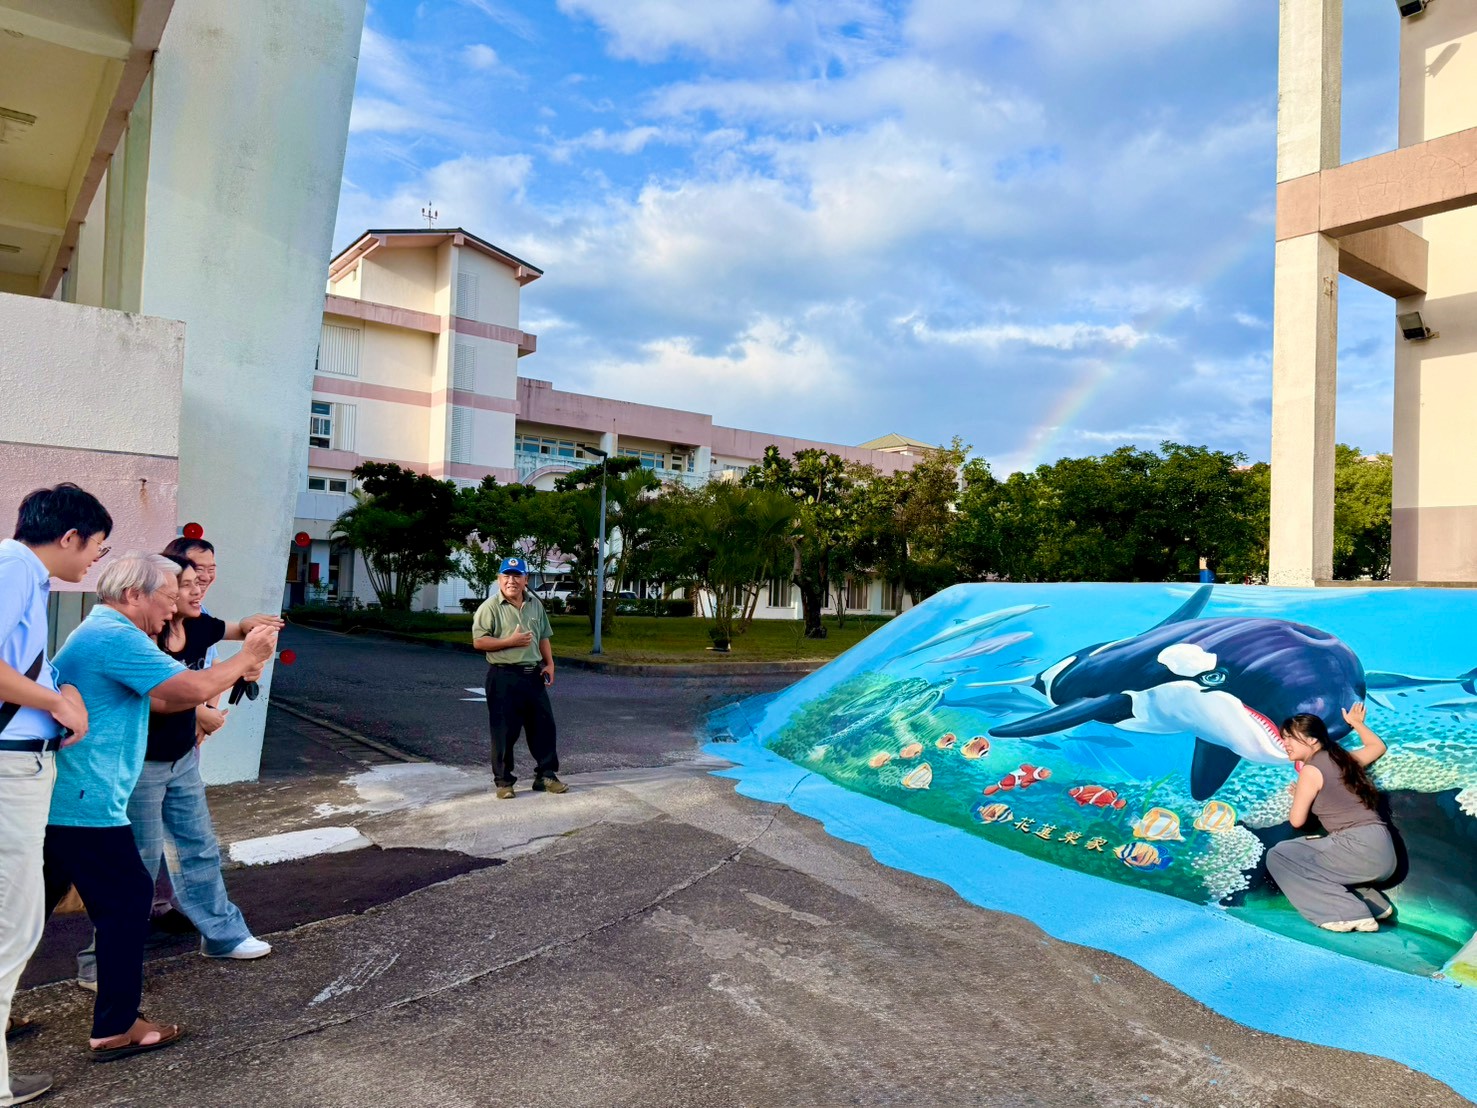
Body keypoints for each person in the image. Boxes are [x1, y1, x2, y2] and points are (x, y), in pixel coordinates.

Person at [44, 553, 276, 1061]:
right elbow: (188, 688)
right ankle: (115, 1026)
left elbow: (170, 698)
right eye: (169, 597)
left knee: (28, 909)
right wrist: (247, 654)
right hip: (87, 799)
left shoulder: (108, 631)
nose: (174, 609)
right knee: (128, 899)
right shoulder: (114, 634)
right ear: (134, 594)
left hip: (76, 795)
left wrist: (236, 665)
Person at [0, 484, 108, 1106]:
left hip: (20, 762)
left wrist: (58, 698)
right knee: (14, 922)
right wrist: (57, 703)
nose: (95, 559)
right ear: (70, 537)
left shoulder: (26, 576)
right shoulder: (16, 566)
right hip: (10, 768)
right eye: (97, 547)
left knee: (15, 916)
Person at [1266, 703, 1395, 933]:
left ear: (1313, 740)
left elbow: (1297, 821)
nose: (1284, 744)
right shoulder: (1344, 760)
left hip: (1357, 849)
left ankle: (1349, 914)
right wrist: (1357, 723)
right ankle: (1373, 904)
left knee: (1280, 856)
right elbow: (1377, 747)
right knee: (1312, 857)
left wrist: (1301, 796)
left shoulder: (1310, 771)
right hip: (1384, 851)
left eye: (1290, 738)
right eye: (1283, 738)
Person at [471, 557, 564, 800]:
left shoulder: (535, 605)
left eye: (516, 576)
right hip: (503, 676)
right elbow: (479, 641)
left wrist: (550, 664)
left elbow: (543, 636)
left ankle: (546, 776)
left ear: (525, 580)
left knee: (544, 727)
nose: (511, 581)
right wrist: (509, 642)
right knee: (504, 732)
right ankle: (504, 781)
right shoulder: (489, 607)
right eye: (506, 576)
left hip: (532, 675)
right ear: (499, 579)